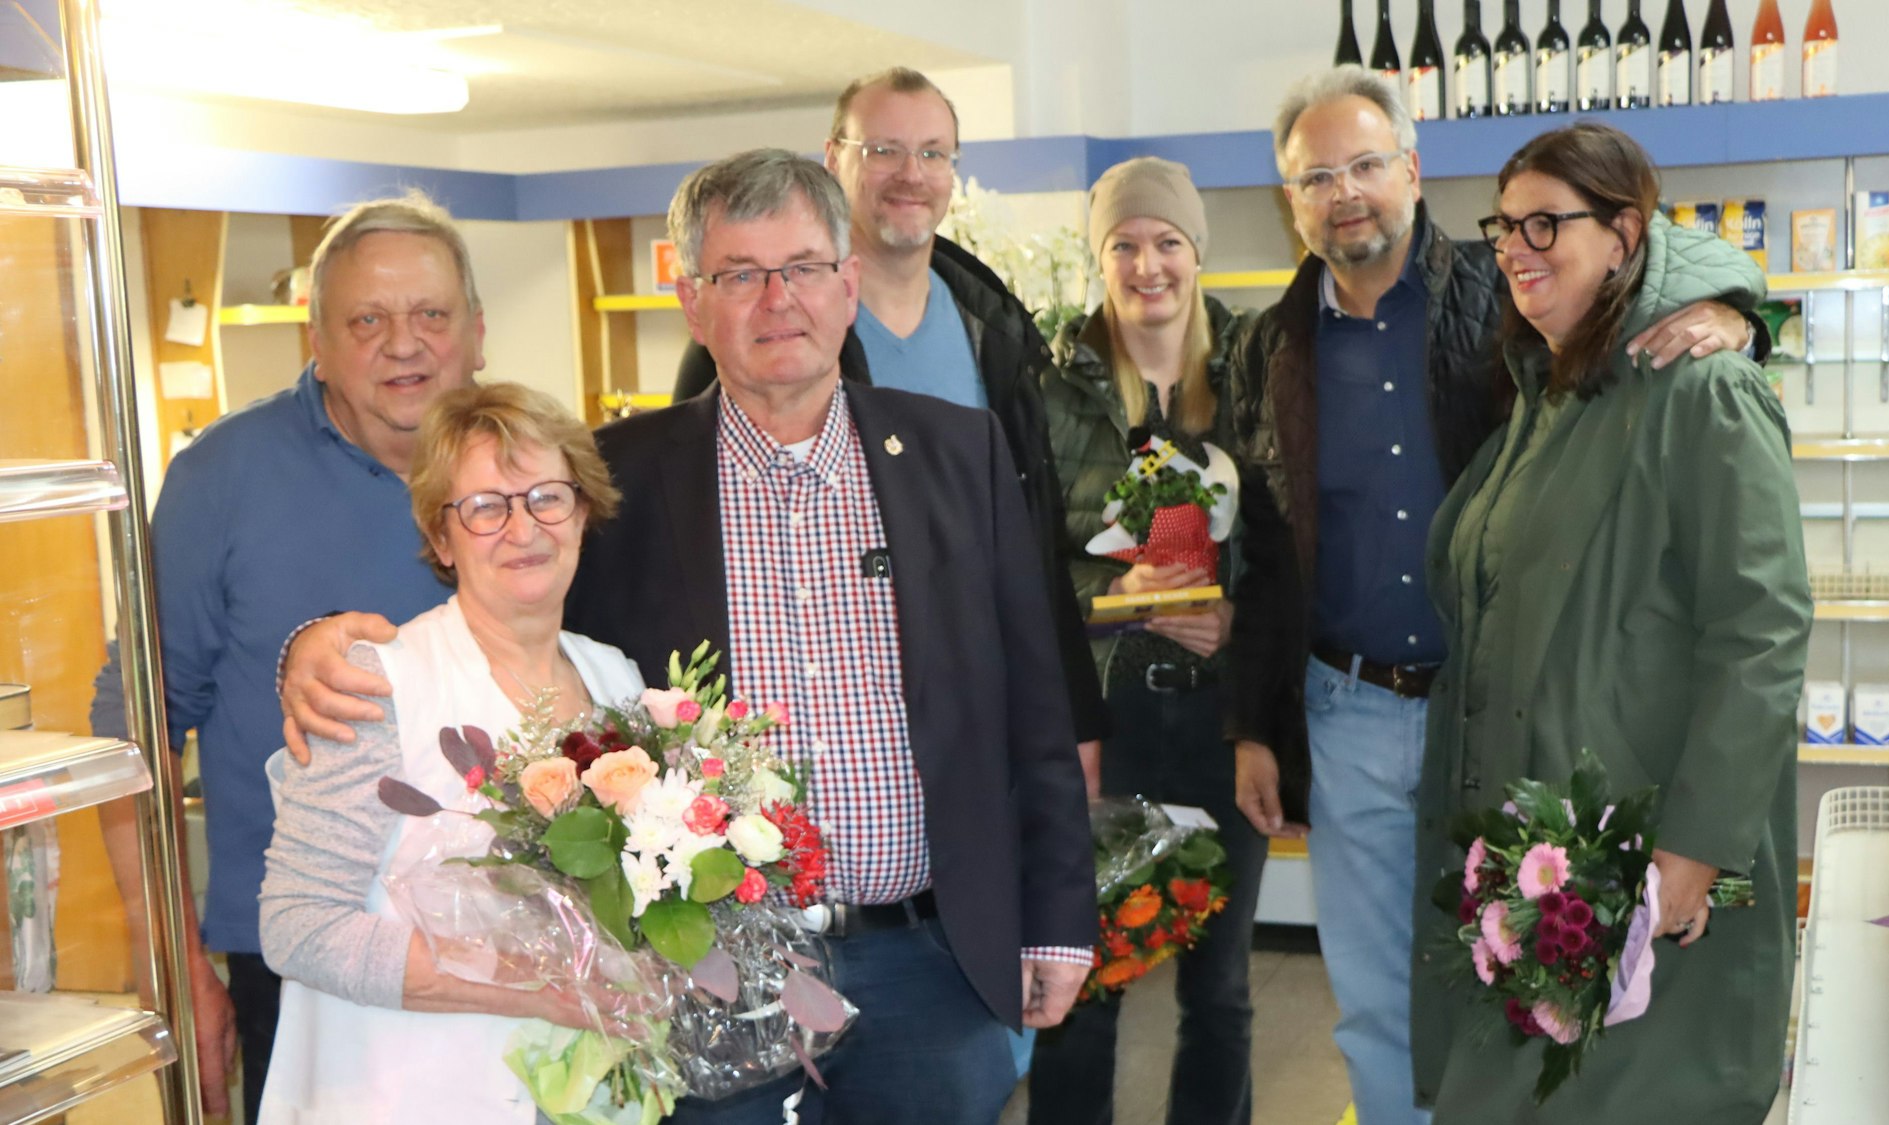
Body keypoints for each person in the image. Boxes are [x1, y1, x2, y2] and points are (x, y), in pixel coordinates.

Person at [281, 149, 1096, 1124]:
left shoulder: (959, 455)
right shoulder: (613, 480)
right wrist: (319, 641)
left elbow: (1034, 711)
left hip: (928, 963)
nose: (775, 299)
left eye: (799, 267)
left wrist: (1056, 920)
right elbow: (488, 598)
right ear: (692, 300)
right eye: (738, 275)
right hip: (696, 968)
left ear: (847, 285)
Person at [1225, 66, 1765, 1125]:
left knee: (1516, 973)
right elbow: (1261, 554)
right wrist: (1252, 725)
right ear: (1287, 201)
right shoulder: (1263, 347)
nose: (1344, 192)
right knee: (1375, 995)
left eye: (1366, 164)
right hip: (1346, 713)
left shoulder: (1505, 291)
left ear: (1413, 171)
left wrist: (1726, 306)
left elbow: (1635, 262)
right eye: (1315, 175)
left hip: (1505, 705)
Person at [1412, 121, 1809, 1122]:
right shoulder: (1544, 394)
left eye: (1546, 224)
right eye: (1503, 226)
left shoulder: (1701, 389)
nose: (1514, 248)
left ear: (1624, 235)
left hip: (1651, 868)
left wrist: (1696, 851)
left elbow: (1758, 632)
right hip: (1536, 871)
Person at [671, 66, 1107, 795]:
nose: (912, 174)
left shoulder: (995, 327)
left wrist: (1074, 714)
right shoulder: (757, 340)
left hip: (979, 703)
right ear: (831, 158)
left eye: (934, 153)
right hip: (818, 717)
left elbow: (1036, 543)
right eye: (883, 151)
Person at [149, 189, 484, 1119]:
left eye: (430, 314)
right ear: (319, 340)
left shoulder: (527, 475)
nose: (404, 343)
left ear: (477, 330)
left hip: (504, 948)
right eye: (367, 319)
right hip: (297, 957)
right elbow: (135, 735)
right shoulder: (219, 479)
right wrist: (178, 966)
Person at [259, 383, 638, 1122]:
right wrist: (537, 985)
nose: (523, 528)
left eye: (547, 498)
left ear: (584, 512)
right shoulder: (380, 680)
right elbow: (298, 923)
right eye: (486, 507)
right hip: (396, 1094)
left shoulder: (615, 678)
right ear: (441, 537)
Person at [1026, 157, 1265, 1125]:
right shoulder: (1052, 384)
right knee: (1086, 976)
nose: (1146, 264)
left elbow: (1292, 543)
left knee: (1220, 990)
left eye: (1165, 241)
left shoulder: (1253, 371)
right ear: (1099, 258)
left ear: (1196, 252)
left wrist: (1236, 620)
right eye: (1122, 245)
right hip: (1102, 718)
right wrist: (1108, 590)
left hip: (1219, 722)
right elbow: (1022, 561)